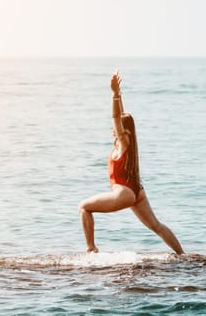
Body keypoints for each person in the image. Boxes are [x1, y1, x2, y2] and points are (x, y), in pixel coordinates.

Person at [78, 71, 184, 255]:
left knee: (84, 207)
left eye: (117, 127)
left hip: (124, 193)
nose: (113, 129)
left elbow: (116, 118)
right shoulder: (130, 144)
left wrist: (115, 95)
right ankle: (182, 255)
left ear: (124, 131)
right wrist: (119, 93)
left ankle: (91, 248)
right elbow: (122, 117)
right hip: (137, 191)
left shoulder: (123, 142)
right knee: (156, 226)